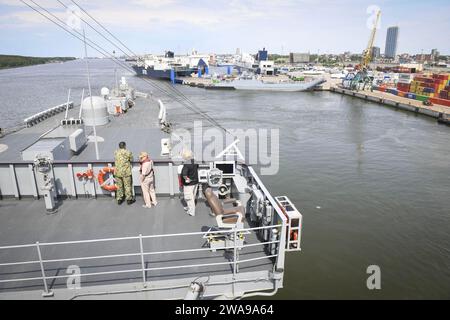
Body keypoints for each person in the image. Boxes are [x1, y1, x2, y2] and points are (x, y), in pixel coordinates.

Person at [181, 150, 199, 217]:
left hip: (189, 184)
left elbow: (184, 174)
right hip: (195, 182)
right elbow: (197, 167)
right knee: (193, 196)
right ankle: (189, 207)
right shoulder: (195, 161)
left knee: (188, 197)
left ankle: (191, 212)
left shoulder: (186, 164)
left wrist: (187, 179)